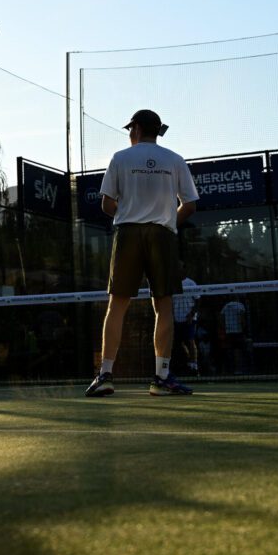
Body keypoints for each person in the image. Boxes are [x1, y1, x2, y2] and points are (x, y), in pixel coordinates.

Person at [85, 109, 198, 397]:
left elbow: (107, 204)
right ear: (157, 131)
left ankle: (106, 375)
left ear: (136, 129)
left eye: (130, 129)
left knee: (117, 305)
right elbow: (189, 205)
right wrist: (168, 220)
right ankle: (161, 378)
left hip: (128, 233)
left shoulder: (120, 158)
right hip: (163, 234)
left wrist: (126, 212)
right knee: (164, 306)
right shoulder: (175, 159)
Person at [171, 275, 200, 375]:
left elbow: (198, 300)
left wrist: (191, 314)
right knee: (178, 343)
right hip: (176, 319)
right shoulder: (171, 283)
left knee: (190, 340)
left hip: (190, 319)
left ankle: (194, 365)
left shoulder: (191, 283)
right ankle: (187, 364)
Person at [219, 298, 247, 374]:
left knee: (229, 351)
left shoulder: (226, 306)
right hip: (238, 332)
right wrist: (243, 329)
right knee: (238, 351)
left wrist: (225, 327)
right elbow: (242, 319)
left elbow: (221, 319)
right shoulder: (240, 305)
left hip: (229, 332)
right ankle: (238, 370)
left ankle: (229, 370)